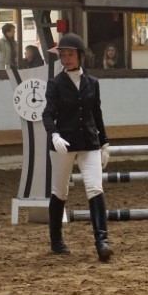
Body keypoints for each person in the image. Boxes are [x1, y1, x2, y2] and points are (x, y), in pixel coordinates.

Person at [41, 33, 113, 262]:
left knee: (95, 188)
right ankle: (56, 240)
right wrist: (54, 135)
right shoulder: (55, 84)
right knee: (60, 191)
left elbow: (96, 113)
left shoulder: (93, 83)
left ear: (80, 56)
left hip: (89, 142)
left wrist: (104, 142)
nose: (66, 59)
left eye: (70, 55)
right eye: (63, 55)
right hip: (63, 144)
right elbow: (47, 114)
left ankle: (102, 241)